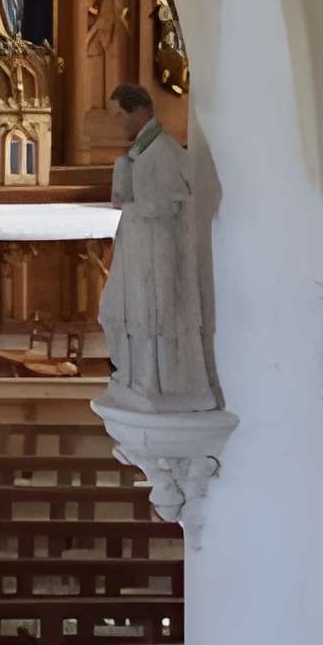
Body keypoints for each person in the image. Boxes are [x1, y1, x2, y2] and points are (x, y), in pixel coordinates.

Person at [96, 82, 214, 411]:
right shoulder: (139, 152)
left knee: (154, 315)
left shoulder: (163, 150)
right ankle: (138, 376)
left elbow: (174, 202)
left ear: (142, 111)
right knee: (121, 312)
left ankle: (155, 382)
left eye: (122, 115)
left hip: (156, 249)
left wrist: (131, 205)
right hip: (138, 246)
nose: (119, 123)